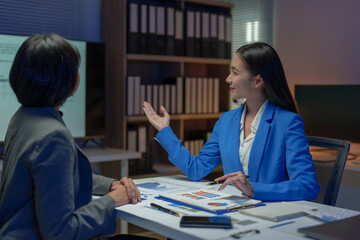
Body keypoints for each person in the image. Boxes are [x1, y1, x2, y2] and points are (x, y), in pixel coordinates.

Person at [0, 34, 148, 240]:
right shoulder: (53, 136)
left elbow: (55, 178)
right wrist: (112, 200)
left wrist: (110, 185)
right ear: (66, 79)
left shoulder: (23, 117)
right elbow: (60, 233)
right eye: (75, 68)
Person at [143, 42, 320, 201]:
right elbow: (196, 169)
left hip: (270, 216)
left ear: (258, 80)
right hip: (233, 211)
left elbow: (307, 186)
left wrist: (253, 189)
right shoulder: (226, 121)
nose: (228, 79)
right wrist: (165, 130)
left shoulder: (288, 122)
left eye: (235, 73)